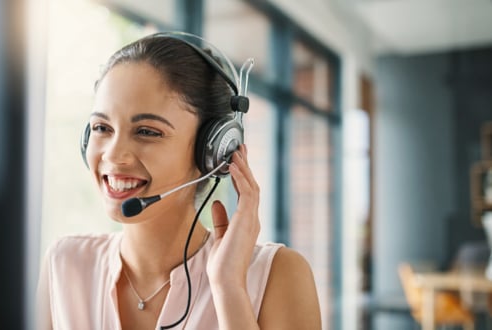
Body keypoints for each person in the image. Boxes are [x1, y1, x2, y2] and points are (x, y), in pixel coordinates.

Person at [36, 32, 321, 329]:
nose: (114, 155)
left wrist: (228, 287)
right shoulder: (65, 265)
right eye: (101, 127)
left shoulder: (279, 275)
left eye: (147, 131)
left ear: (212, 151)